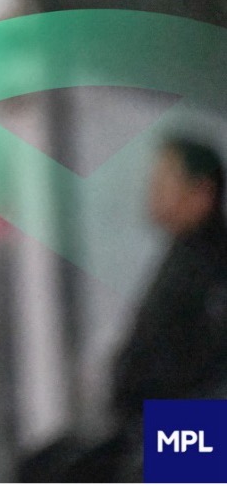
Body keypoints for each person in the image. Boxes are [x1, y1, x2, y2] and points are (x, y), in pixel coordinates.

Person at [20, 136, 227, 482]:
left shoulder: (212, 268)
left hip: (188, 429)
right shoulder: (185, 254)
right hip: (142, 425)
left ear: (201, 192)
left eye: (164, 181)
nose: (152, 191)